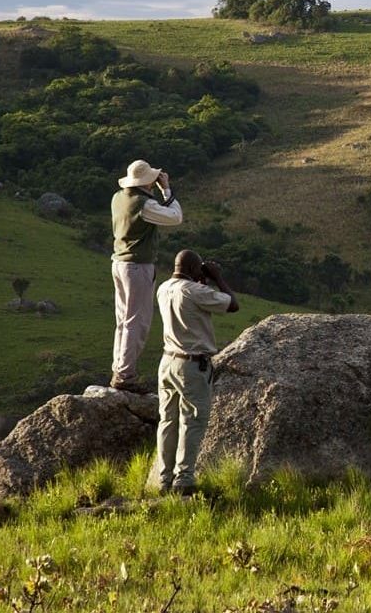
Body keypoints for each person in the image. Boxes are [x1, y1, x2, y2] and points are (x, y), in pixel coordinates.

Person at [153, 249, 239, 495]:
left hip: (167, 361)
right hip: (191, 365)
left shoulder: (164, 288)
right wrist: (217, 278)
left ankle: (164, 479)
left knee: (168, 421)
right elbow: (232, 304)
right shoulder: (195, 291)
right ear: (193, 269)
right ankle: (184, 479)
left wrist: (200, 279)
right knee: (192, 422)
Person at [111, 159, 183, 393]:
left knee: (123, 321)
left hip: (119, 263)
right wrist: (166, 190)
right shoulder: (144, 205)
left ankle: (119, 370)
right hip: (137, 267)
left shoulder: (118, 198)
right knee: (137, 322)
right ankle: (125, 376)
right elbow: (175, 217)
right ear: (148, 180)